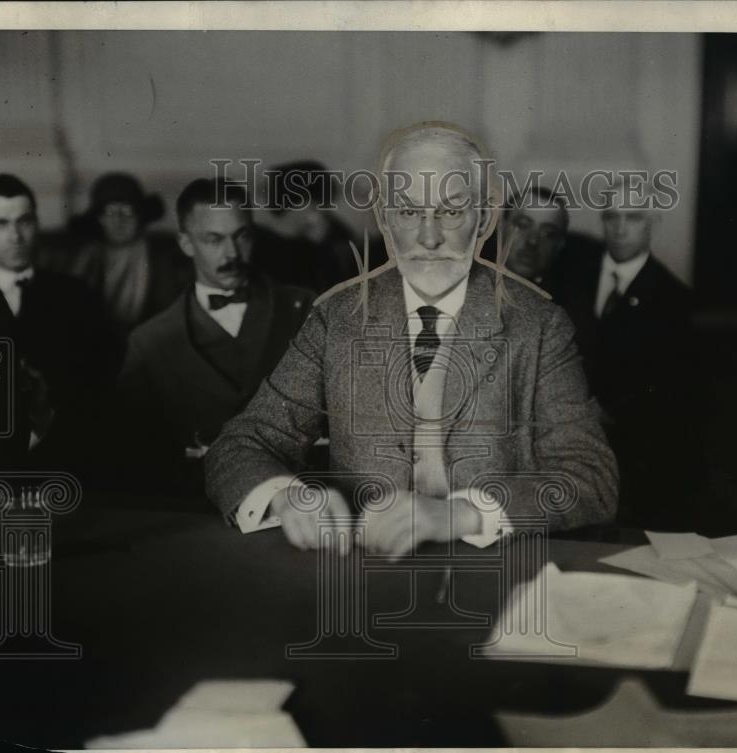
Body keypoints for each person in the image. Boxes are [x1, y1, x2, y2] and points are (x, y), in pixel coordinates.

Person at [206, 122, 618, 554]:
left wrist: (463, 514)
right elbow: (241, 443)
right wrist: (287, 496)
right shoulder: (337, 318)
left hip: (493, 578)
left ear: (483, 221)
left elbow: (592, 477)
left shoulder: (539, 325)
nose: (428, 237)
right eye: (408, 212)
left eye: (451, 211)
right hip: (361, 576)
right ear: (384, 220)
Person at [111, 178, 315, 499]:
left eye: (242, 236)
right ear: (186, 244)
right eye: (213, 240)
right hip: (196, 514)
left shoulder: (306, 311)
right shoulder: (149, 343)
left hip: (301, 501)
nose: (232, 253)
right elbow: (132, 457)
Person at [549, 176, 699, 530]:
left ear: (654, 223)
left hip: (629, 449)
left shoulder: (672, 300)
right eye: (611, 217)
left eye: (632, 218)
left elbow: (663, 388)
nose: (619, 228)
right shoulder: (573, 275)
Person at [0, 174, 118, 484]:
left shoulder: (77, 296)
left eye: (24, 221)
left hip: (67, 468)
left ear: (36, 223)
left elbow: (99, 391)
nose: (16, 236)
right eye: (1, 224)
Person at [65, 173, 191, 333]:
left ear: (140, 217)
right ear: (99, 219)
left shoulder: (161, 257)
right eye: (110, 212)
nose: (118, 220)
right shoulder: (88, 255)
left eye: (127, 211)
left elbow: (169, 314)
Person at [252, 160, 369, 293]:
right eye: (320, 203)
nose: (323, 212)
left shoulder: (256, 240)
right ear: (306, 203)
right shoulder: (309, 250)